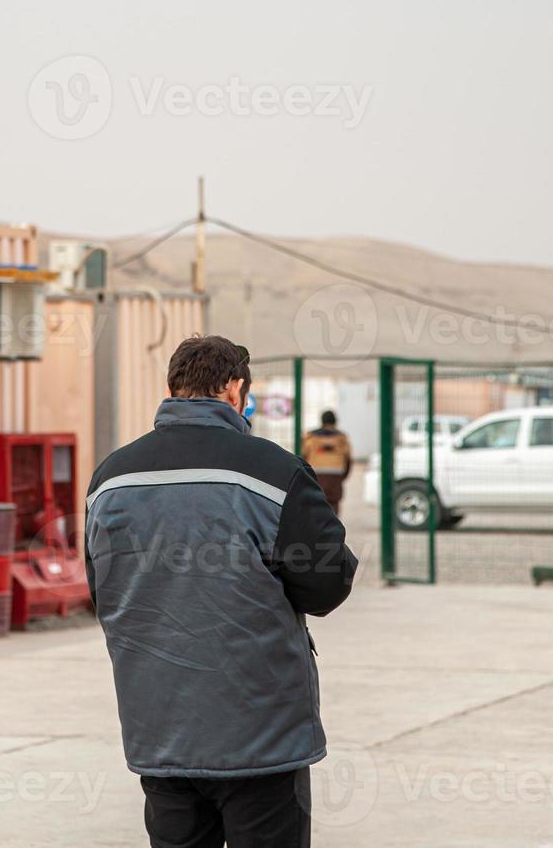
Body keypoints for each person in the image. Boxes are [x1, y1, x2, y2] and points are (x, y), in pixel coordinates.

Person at [85, 335, 358, 848]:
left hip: (159, 729)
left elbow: (104, 592)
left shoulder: (110, 478)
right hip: (260, 736)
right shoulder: (274, 472)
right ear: (235, 389)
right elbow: (328, 586)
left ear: (172, 389)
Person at [301, 411, 352, 515]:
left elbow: (304, 456)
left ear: (322, 421)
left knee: (316, 501)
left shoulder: (311, 437)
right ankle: (333, 527)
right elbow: (348, 459)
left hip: (316, 474)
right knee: (333, 503)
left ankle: (318, 527)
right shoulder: (342, 438)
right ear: (335, 422)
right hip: (336, 474)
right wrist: (343, 476)